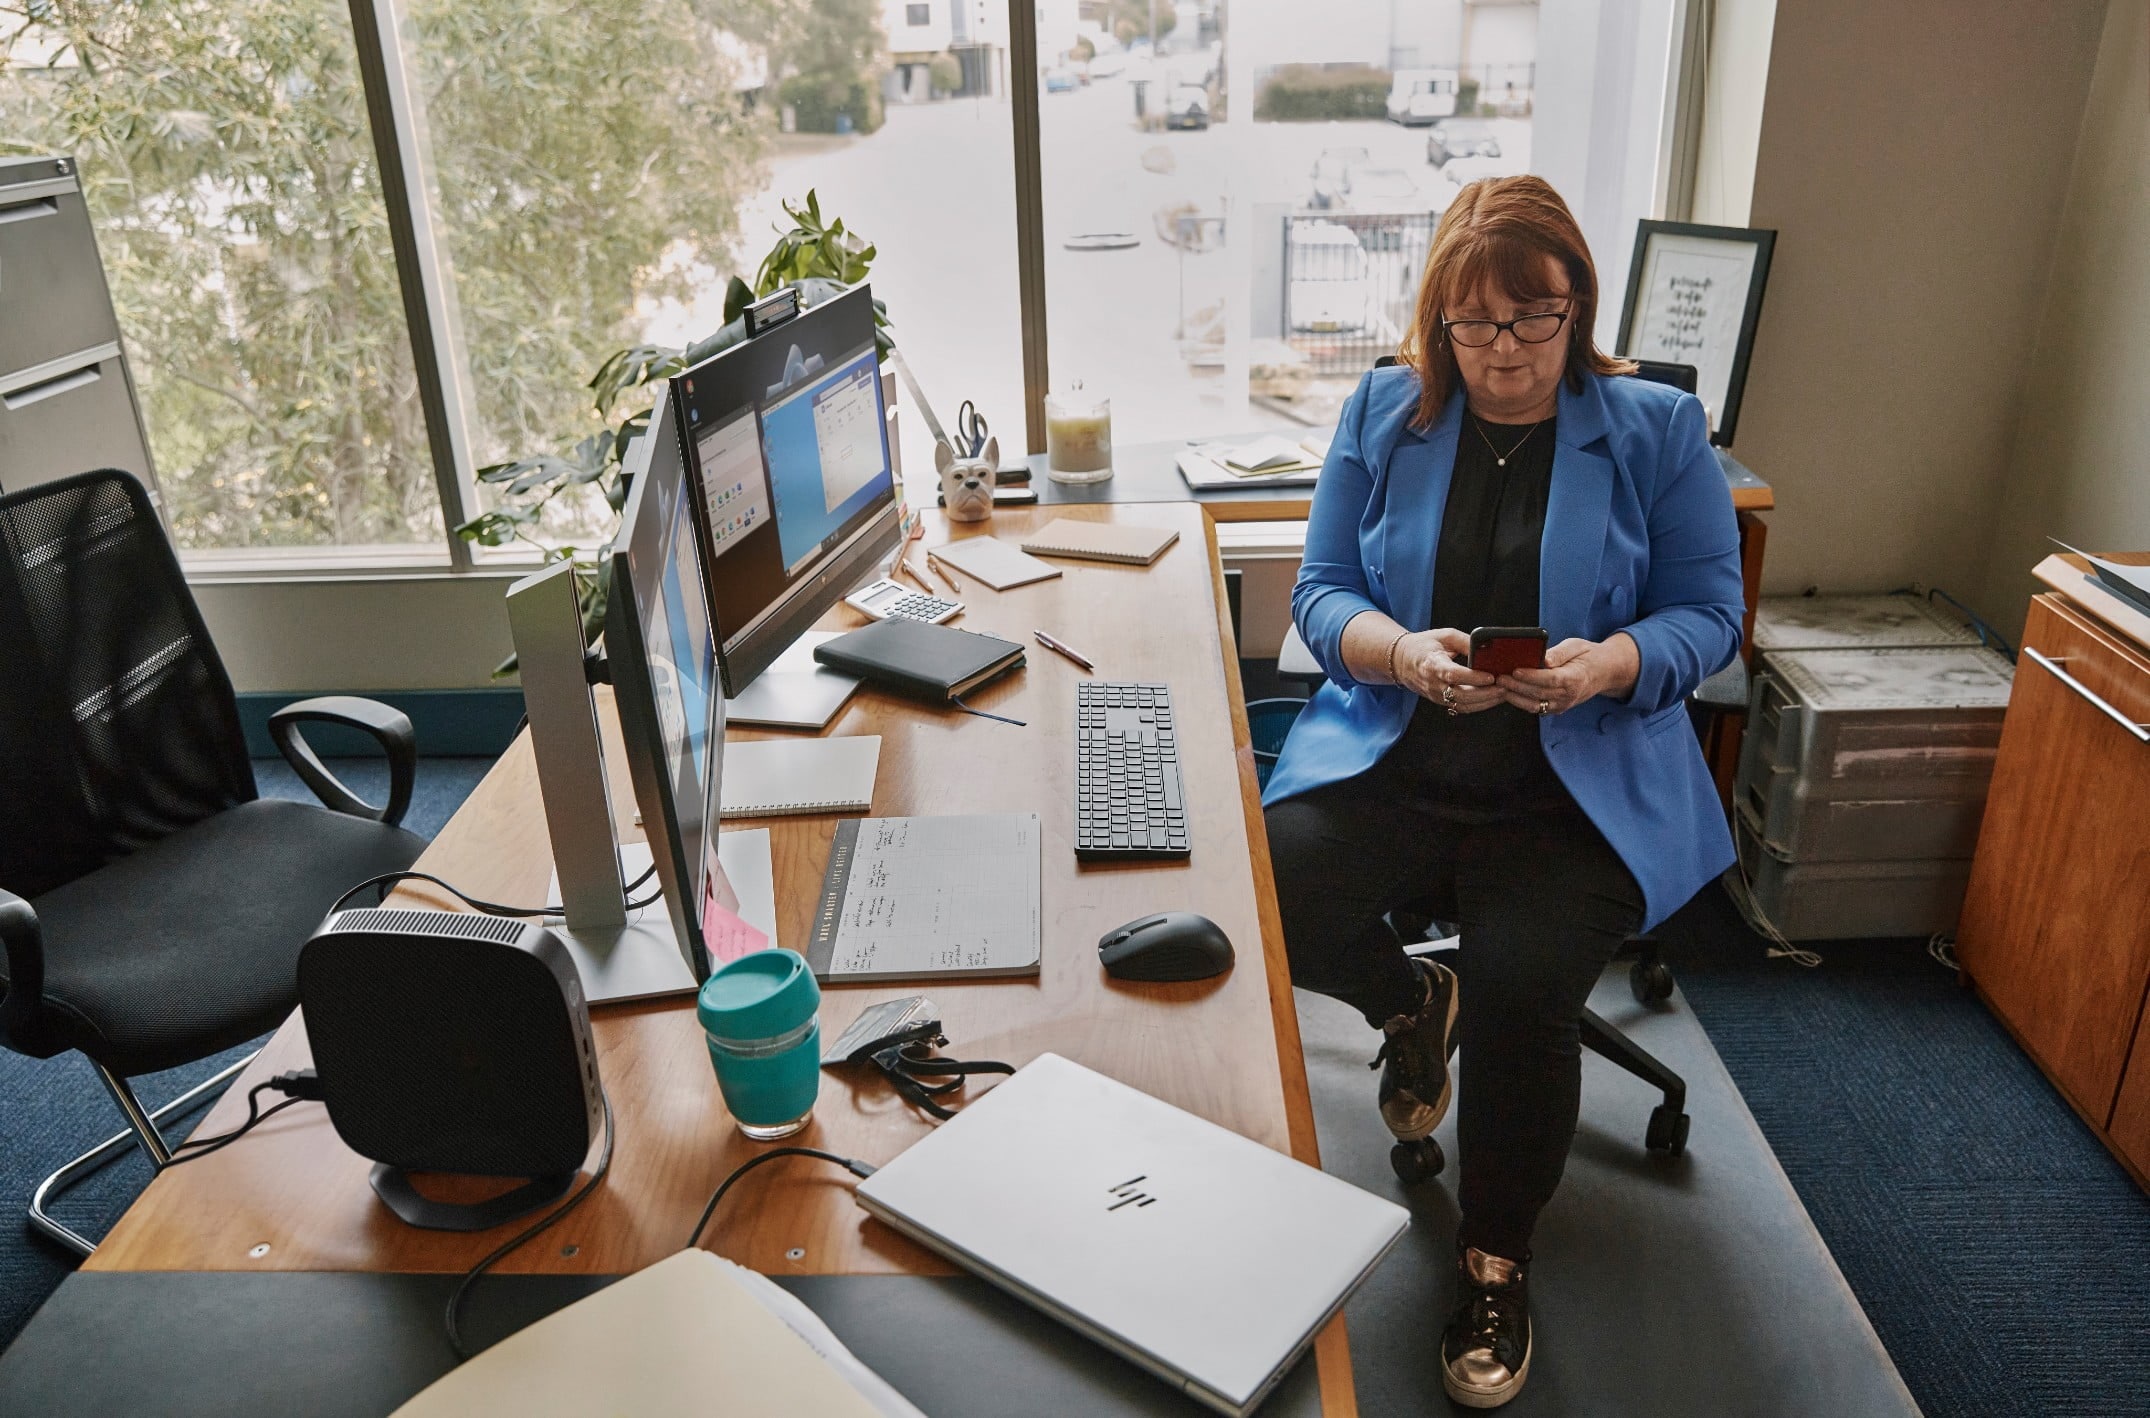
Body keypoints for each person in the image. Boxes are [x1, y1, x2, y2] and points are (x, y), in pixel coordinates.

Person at [1261, 175, 1743, 1409]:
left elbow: (1709, 614)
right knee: (1273, 889)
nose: (1506, 354)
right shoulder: (1383, 409)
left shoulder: (1651, 429)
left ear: (1574, 305)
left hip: (1568, 784)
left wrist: (1609, 663)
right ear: (1437, 322)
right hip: (1403, 751)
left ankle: (1493, 1260)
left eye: (1534, 321)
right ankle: (1412, 994)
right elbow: (1318, 590)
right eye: (1474, 327)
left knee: (1527, 987)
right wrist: (1397, 651)